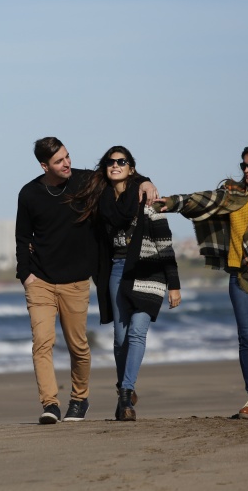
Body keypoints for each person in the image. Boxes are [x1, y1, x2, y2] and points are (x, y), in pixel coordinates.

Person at [16, 137, 158, 424]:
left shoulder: (84, 181)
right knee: (41, 343)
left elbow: (117, 169)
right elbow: (22, 237)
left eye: (67, 156)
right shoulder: (29, 194)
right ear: (45, 166)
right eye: (59, 161)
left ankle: (80, 399)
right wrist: (26, 274)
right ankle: (50, 404)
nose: (67, 163)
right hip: (40, 280)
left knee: (77, 346)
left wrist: (146, 181)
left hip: (76, 281)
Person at [155, 145, 248, 419]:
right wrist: (172, 202)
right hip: (240, 274)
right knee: (246, 338)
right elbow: (204, 200)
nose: (246, 170)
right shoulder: (234, 195)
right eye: (243, 165)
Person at [68, 146, 182, 421]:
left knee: (136, 334)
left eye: (122, 161)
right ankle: (125, 390)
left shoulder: (147, 198)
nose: (116, 165)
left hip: (148, 270)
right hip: (116, 271)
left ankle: (125, 394)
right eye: (111, 161)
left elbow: (164, 244)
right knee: (120, 340)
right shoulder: (100, 201)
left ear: (131, 168)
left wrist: (173, 283)